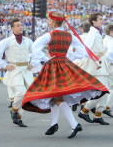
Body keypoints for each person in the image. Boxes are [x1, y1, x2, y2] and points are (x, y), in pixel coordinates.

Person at [22, 11, 109, 139]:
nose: (48, 22)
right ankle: (54, 124)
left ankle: (74, 124)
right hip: (65, 65)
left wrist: (45, 59)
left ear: (54, 22)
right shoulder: (70, 35)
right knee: (54, 96)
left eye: (49, 20)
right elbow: (82, 51)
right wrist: (69, 56)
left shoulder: (49, 35)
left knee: (57, 97)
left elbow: (35, 47)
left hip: (53, 66)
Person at [0, 18, 34, 127]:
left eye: (21, 25)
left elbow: (35, 53)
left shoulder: (28, 41)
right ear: (12, 28)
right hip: (14, 70)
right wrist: (4, 65)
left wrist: (32, 63)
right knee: (21, 92)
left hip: (26, 70)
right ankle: (14, 109)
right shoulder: (6, 41)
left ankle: (19, 117)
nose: (20, 27)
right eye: (17, 25)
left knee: (28, 96)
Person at [77, 13, 110, 125]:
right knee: (101, 91)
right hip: (95, 65)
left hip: (100, 65)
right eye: (100, 19)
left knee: (104, 91)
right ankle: (84, 111)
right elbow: (85, 48)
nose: (102, 21)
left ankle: (95, 114)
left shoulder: (97, 32)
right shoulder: (92, 33)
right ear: (94, 22)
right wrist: (95, 57)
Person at [102, 24, 113, 117]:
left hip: (104, 66)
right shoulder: (110, 41)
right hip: (110, 65)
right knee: (111, 88)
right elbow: (110, 53)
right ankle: (107, 107)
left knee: (107, 87)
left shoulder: (104, 40)